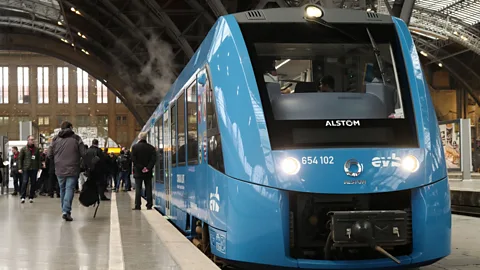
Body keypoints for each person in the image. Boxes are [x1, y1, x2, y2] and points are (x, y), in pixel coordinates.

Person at [48, 121, 86, 221]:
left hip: (59, 168)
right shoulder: (77, 138)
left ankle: (64, 211)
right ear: (70, 127)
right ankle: (66, 211)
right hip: (73, 168)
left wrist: (57, 160)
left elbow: (49, 154)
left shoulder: (55, 139)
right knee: (69, 189)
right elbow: (83, 153)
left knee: (62, 189)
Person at [131, 132, 156, 210]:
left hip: (138, 171)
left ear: (139, 138)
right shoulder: (151, 148)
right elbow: (153, 160)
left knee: (138, 188)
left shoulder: (135, 147)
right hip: (148, 172)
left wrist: (141, 168)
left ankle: (137, 205)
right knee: (149, 188)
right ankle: (149, 205)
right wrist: (147, 168)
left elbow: (133, 160)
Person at [18, 135, 41, 203]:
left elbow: (38, 159)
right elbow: (20, 159)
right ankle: (23, 196)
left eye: (33, 139)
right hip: (26, 168)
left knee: (33, 182)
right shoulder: (24, 149)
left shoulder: (36, 149)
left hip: (34, 168)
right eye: (31, 139)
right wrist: (20, 168)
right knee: (25, 182)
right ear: (28, 140)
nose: (32, 141)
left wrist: (39, 167)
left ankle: (31, 196)